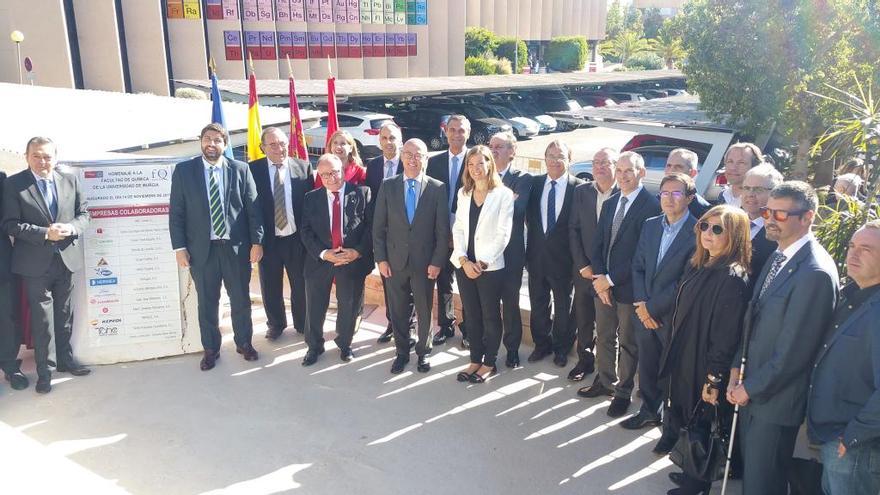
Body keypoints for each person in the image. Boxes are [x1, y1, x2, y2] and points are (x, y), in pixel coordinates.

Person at [726, 181, 839, 495]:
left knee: (764, 483)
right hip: (753, 388)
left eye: (780, 213)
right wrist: (737, 367)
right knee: (755, 477)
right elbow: (755, 318)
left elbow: (794, 354)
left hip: (775, 400)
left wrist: (749, 387)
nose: (770, 219)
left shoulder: (814, 272)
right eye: (767, 211)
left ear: (807, 217)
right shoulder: (779, 256)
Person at [659, 204, 751, 495]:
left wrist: (713, 378)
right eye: (704, 226)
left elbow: (726, 336)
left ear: (734, 235)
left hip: (705, 361)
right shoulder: (699, 263)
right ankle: (690, 470)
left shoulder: (732, 277)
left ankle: (698, 484)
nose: (707, 234)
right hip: (686, 354)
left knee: (703, 421)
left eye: (717, 229)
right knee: (687, 413)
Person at [169, 123, 264, 371]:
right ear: (201, 142)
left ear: (225, 144)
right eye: (207, 139)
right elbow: (176, 213)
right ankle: (210, 349)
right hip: (202, 251)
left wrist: (257, 242)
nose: (211, 144)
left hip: (236, 248)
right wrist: (179, 248)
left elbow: (253, 208)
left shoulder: (240, 169)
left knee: (241, 299)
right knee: (207, 302)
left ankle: (244, 343)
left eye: (217, 140)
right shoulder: (184, 171)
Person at [2, 137, 91, 394]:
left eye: (47, 156)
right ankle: (45, 372)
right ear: (27, 157)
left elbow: (84, 214)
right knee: (43, 322)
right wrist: (44, 233)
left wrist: (71, 228)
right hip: (34, 265)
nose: (43, 161)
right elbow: (10, 224)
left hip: (66, 259)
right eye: (37, 156)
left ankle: (65, 360)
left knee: (64, 315)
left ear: (56, 156)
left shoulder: (70, 180)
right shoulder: (14, 184)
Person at [580, 151, 661, 419]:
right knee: (603, 335)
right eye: (621, 170)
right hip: (604, 285)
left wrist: (610, 279)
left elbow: (642, 254)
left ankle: (623, 392)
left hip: (629, 288)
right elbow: (599, 243)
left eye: (630, 170)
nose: (623, 176)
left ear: (641, 172)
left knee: (628, 342)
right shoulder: (612, 201)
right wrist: (601, 280)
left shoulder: (651, 207)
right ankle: (605, 381)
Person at [808, 220, 880, 495]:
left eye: (866, 249)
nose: (853, 254)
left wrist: (853, 435)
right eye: (851, 246)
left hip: (857, 444)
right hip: (833, 436)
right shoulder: (848, 297)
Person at [622, 173, 698, 432]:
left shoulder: (698, 232)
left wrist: (651, 308)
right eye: (664, 193)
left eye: (676, 193)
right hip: (645, 312)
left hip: (673, 316)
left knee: (673, 373)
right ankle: (649, 411)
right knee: (648, 365)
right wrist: (642, 305)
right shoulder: (651, 225)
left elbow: (685, 281)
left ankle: (672, 425)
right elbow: (638, 266)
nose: (669, 199)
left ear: (689, 198)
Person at [372, 138, 449, 374]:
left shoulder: (437, 188)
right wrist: (381, 260)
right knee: (398, 310)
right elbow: (378, 227)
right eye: (409, 154)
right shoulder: (388, 185)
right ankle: (401, 352)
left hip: (425, 264)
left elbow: (442, 231)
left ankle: (423, 353)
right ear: (401, 156)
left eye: (419, 155)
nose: (413, 160)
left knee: (425, 310)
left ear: (426, 159)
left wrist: (437, 262)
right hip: (394, 263)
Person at [299, 154, 373, 365]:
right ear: (319, 175)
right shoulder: (311, 198)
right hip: (320, 261)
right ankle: (314, 346)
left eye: (334, 172)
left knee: (349, 305)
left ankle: (345, 344)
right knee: (314, 306)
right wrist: (324, 254)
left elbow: (371, 227)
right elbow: (305, 231)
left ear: (342, 169)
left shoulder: (362, 193)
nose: (331, 178)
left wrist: (357, 252)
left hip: (352, 261)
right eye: (324, 174)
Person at [450, 145, 513, 383]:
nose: (476, 169)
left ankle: (489, 362)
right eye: (471, 164)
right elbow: (458, 228)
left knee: (490, 316)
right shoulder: (463, 194)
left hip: (489, 268)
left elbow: (503, 234)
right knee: (471, 315)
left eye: (480, 163)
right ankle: (475, 359)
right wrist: (463, 260)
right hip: (464, 265)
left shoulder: (503, 194)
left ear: (490, 164)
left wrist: (481, 264)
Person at [249, 127, 313, 340]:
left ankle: (303, 323)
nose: (279, 148)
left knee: (300, 283)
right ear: (263, 147)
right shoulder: (252, 170)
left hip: (296, 239)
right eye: (273, 144)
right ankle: (276, 324)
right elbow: (250, 208)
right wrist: (255, 241)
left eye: (283, 143)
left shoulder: (303, 168)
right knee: (270, 285)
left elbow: (310, 207)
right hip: (268, 240)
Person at [525, 140, 584, 367]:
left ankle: (561, 347)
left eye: (560, 156)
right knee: (538, 305)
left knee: (562, 307)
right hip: (536, 258)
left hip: (564, 261)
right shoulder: (534, 184)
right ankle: (542, 344)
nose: (555, 160)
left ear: (569, 160)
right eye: (551, 155)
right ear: (545, 158)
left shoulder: (578, 188)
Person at [568, 147, 617, 381]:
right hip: (585, 272)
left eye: (605, 162)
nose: (599, 167)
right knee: (583, 318)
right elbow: (574, 230)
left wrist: (605, 275)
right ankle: (584, 361)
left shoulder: (624, 195)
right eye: (596, 162)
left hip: (610, 276)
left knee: (608, 328)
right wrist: (582, 265)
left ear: (616, 166)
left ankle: (606, 372)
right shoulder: (582, 192)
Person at [365, 122, 415, 346]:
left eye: (393, 138)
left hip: (406, 237)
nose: (388, 142)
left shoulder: (409, 164)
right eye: (384, 138)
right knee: (388, 283)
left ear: (400, 140)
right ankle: (392, 324)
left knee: (409, 285)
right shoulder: (373, 166)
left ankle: (409, 327)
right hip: (383, 237)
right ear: (379, 141)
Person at [488, 131, 531, 368]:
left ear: (512, 152)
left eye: (500, 146)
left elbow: (517, 209)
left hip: (511, 254)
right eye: (491, 146)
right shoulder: (480, 175)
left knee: (511, 304)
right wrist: (506, 199)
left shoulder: (522, 178)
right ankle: (489, 348)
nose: (493, 150)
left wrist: (491, 204)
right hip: (486, 254)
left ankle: (512, 349)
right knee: (489, 304)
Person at [427, 115, 469, 348]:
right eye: (452, 130)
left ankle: (470, 329)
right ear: (445, 132)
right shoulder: (434, 162)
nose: (456, 134)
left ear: (468, 133)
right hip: (441, 234)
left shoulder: (476, 161)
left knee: (466, 285)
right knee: (444, 282)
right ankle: (446, 325)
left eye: (461, 130)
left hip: (466, 236)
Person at [0, 170, 25, 391]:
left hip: (1, 262)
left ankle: (10, 366)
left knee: (7, 317)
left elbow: (10, 220)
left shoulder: (1, 179)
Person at [740, 163, 783, 287]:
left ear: (775, 194)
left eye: (758, 189)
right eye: (746, 188)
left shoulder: (780, 233)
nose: (750, 194)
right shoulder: (730, 223)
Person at [663, 148, 711, 218]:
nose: (671, 171)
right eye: (669, 165)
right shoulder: (656, 202)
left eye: (678, 167)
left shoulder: (703, 211)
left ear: (692, 173)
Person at [717, 142, 763, 207]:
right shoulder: (722, 196)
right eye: (730, 161)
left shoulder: (757, 206)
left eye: (741, 163)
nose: (733, 168)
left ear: (754, 167)